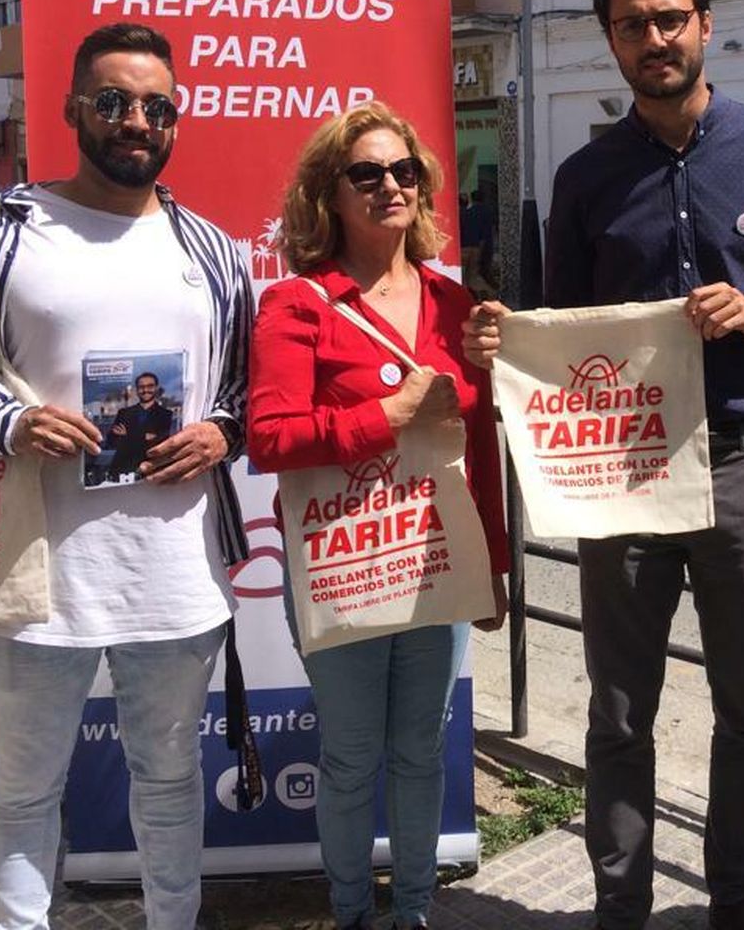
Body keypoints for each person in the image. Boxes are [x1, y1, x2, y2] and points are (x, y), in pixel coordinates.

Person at [462, 0, 744, 930]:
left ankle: (735, 897)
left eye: (669, 18)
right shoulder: (585, 176)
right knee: (620, 710)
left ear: (704, 25)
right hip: (624, 478)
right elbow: (558, 326)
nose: (654, 37)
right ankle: (620, 906)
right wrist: (501, 338)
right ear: (611, 43)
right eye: (633, 24)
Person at [0, 22, 253, 930]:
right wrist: (10, 422)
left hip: (175, 583)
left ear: (175, 120)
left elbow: (249, 392)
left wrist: (220, 433)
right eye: (114, 101)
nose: (136, 120)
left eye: (156, 106)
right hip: (37, 578)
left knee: (171, 784)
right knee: (23, 793)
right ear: (72, 111)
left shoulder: (212, 249)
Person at [247, 102, 510, 930]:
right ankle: (354, 913)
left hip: (436, 558)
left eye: (405, 171)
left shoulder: (452, 301)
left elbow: (478, 442)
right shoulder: (298, 305)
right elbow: (270, 438)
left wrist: (493, 566)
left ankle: (417, 914)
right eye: (367, 173)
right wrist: (386, 416)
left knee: (423, 750)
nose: (391, 185)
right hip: (346, 562)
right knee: (354, 758)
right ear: (330, 192)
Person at [103, 372, 175, 481]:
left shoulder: (165, 415)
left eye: (150, 386)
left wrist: (127, 436)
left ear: (156, 388)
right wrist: (143, 436)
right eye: (141, 387)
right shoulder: (124, 413)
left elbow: (159, 443)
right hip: (121, 471)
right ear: (137, 390)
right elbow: (111, 442)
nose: (145, 390)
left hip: (151, 471)